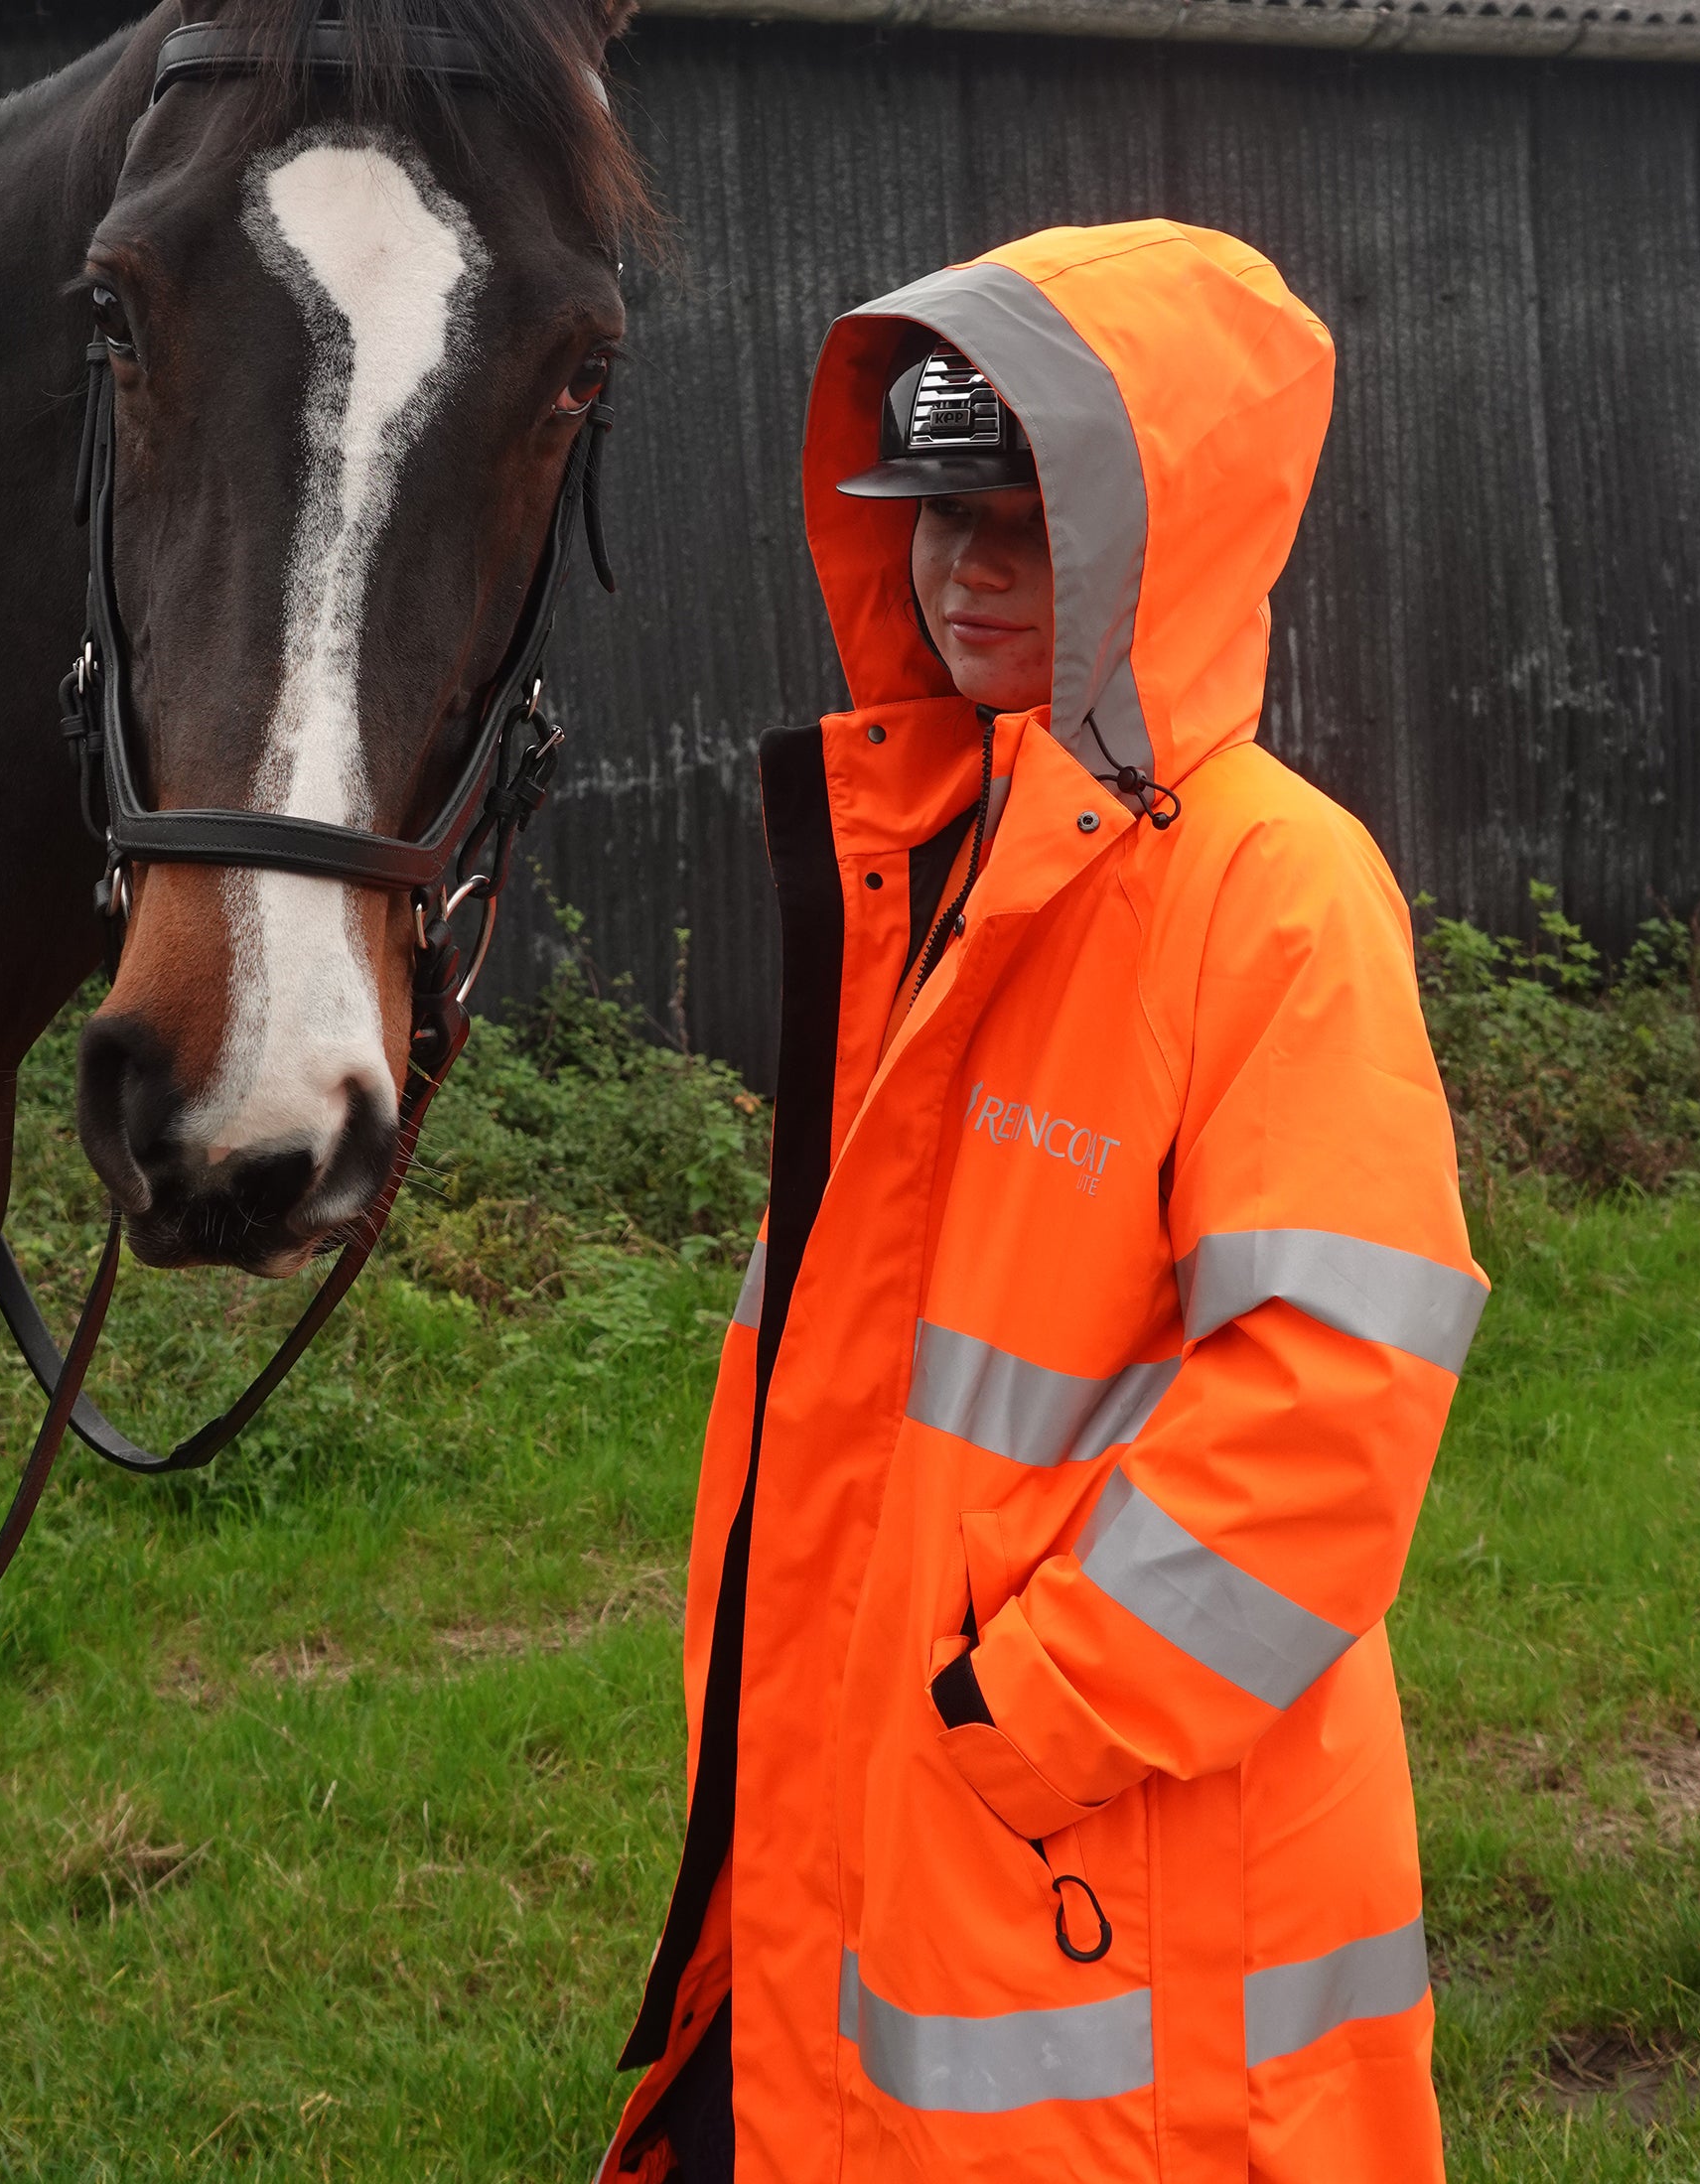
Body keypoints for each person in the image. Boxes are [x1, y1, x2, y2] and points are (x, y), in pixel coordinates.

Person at [600, 221, 1488, 2184]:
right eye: (935, 515)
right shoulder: (926, 853)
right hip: (892, 1802)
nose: (966, 569)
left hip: (1114, 1857)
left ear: (1164, 538)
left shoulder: (1271, 891)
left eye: (1026, 523)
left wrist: (1019, 1715)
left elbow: (1330, 1404)